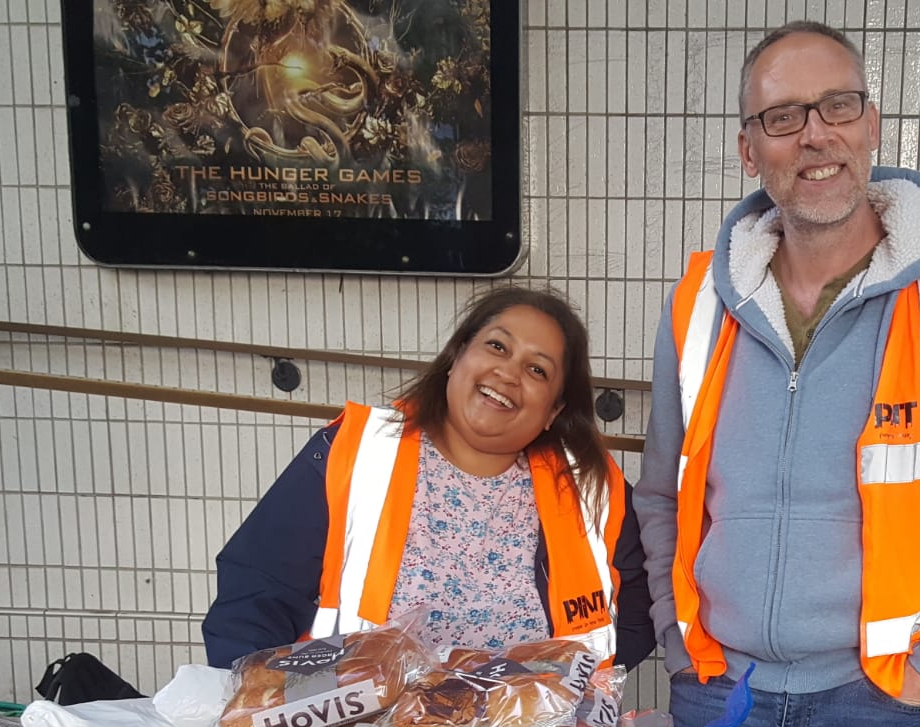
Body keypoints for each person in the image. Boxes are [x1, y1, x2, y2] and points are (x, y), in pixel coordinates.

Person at [633, 21, 920, 727]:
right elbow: (660, 496)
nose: (815, 135)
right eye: (783, 117)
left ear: (870, 125)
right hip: (715, 692)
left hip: (882, 701)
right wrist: (678, 644)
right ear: (750, 150)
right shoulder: (699, 304)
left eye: (837, 106)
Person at [204, 286, 654, 670]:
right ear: (457, 356)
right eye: (497, 346)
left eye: (538, 370)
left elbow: (645, 599)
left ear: (554, 410)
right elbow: (254, 599)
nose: (508, 373)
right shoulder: (358, 451)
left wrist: (570, 696)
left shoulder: (588, 486)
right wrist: (274, 726)